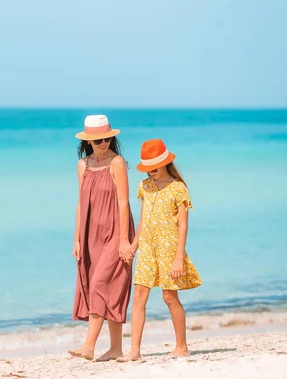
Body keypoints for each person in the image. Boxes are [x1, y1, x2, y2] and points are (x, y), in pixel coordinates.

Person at [119, 139, 202, 362]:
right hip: (147, 248)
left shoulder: (178, 188)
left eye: (154, 167)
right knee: (138, 296)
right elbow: (143, 220)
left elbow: (183, 225)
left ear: (165, 162)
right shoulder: (144, 186)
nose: (151, 171)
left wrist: (178, 259)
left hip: (169, 250)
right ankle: (134, 351)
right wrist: (133, 246)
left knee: (169, 297)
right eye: (147, 167)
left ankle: (182, 346)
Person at [69, 115, 136, 362]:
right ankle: (116, 349)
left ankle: (88, 345)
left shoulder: (116, 162)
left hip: (116, 232)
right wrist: (77, 239)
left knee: (100, 285)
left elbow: (123, 201)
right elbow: (80, 204)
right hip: (90, 235)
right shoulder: (83, 165)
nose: (104, 143)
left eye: (107, 138)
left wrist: (123, 239)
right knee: (109, 288)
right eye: (98, 140)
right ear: (89, 141)